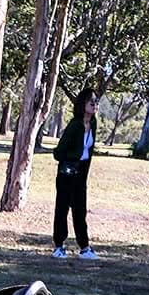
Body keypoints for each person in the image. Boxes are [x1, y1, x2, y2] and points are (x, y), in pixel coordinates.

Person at [51, 90, 99, 262]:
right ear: (82, 104)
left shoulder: (92, 123)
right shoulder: (74, 125)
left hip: (81, 175)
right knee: (62, 209)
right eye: (90, 101)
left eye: (96, 101)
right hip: (67, 174)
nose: (94, 104)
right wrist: (71, 159)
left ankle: (85, 248)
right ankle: (58, 246)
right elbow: (58, 152)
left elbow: (89, 151)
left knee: (80, 211)